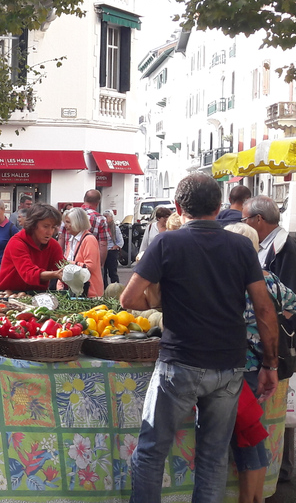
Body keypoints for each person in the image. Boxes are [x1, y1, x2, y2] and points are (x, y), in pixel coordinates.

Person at [120, 172, 279, 503]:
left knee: (150, 453)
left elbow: (128, 300)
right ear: (219, 207)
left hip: (180, 363)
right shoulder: (241, 246)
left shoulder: (167, 242)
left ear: (178, 207)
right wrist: (270, 364)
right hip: (228, 366)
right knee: (212, 458)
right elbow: (265, 310)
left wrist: (169, 299)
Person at [225, 222, 296, 503]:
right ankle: (256, 497)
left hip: (239, 368)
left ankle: (249, 499)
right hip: (266, 366)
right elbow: (292, 304)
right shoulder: (269, 277)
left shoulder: (233, 280)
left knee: (246, 437)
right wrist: (277, 323)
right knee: (253, 433)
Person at [241, 194, 296, 483]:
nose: (244, 222)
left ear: (257, 220)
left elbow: (286, 302)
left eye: (245, 218)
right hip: (263, 355)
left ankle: (282, 473)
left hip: (267, 354)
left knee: (265, 423)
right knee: (258, 425)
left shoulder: (286, 248)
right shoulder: (267, 247)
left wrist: (272, 324)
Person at [0, 204, 65, 292]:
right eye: (45, 226)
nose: (50, 232)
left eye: (53, 227)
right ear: (33, 225)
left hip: (37, 296)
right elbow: (28, 273)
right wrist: (55, 274)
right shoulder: (17, 242)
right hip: (6, 295)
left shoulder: (53, 245)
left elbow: (63, 267)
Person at [58, 189, 111, 265]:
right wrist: (100, 264)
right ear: (98, 203)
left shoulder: (69, 215)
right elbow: (103, 244)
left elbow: (61, 238)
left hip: (69, 260)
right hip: (89, 262)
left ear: (84, 199)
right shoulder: (100, 219)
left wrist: (60, 259)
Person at [60, 207, 104, 297]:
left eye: (68, 222)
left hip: (89, 293)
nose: (65, 225)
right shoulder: (72, 240)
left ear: (77, 222)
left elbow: (90, 267)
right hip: (74, 293)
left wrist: (67, 263)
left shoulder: (89, 239)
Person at [102, 210, 123, 287]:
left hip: (111, 252)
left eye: (106, 217)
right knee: (103, 272)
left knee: (112, 272)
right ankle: (104, 289)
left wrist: (115, 247)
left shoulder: (115, 228)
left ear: (111, 218)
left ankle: (116, 289)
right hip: (103, 251)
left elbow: (120, 241)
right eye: (103, 217)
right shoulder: (102, 227)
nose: (105, 219)